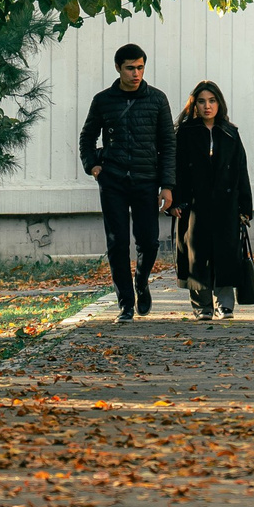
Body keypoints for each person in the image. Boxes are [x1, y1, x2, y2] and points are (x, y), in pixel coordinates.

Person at [79, 43, 174, 323]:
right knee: (117, 243)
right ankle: (126, 304)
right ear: (118, 68)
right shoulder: (103, 100)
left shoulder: (157, 100)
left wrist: (167, 185)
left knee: (149, 241)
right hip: (113, 182)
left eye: (140, 67)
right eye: (130, 68)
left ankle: (141, 282)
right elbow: (87, 137)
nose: (136, 73)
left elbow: (168, 144)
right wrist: (93, 166)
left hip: (147, 181)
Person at [171, 80, 253, 321]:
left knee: (227, 253)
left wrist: (245, 207)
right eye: (202, 101)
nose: (207, 106)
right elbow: (175, 170)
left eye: (212, 101)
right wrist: (175, 201)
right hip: (194, 204)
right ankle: (202, 306)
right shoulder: (185, 134)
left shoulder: (230, 133)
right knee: (196, 253)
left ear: (219, 103)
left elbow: (241, 171)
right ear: (194, 104)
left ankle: (225, 305)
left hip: (226, 205)